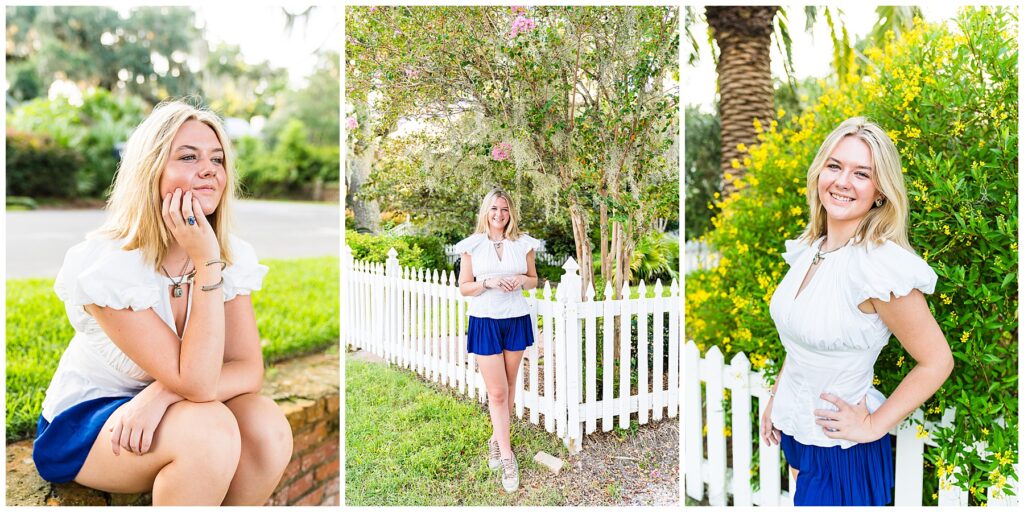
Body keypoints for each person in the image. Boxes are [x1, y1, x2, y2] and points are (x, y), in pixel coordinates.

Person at [33, 100, 293, 505]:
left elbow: (247, 369)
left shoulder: (231, 255)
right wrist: (208, 266)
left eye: (217, 159)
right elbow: (198, 382)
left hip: (173, 408)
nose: (209, 169)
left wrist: (158, 395)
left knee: (267, 427)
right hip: (88, 423)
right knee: (210, 430)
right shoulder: (108, 265)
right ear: (151, 171)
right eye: (188, 157)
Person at [759, 117, 954, 506]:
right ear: (819, 173)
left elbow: (937, 361)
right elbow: (801, 338)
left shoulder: (878, 267)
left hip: (842, 450)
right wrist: (778, 398)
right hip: (798, 435)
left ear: (880, 191)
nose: (843, 181)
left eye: (861, 173)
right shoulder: (811, 248)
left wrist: (871, 425)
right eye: (835, 166)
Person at [455, 188, 540, 493]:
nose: (499, 215)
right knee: (498, 392)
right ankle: (506, 455)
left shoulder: (524, 244)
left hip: (515, 319)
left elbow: (534, 280)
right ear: (485, 212)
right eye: (494, 209)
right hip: (485, 321)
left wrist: (520, 280)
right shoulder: (472, 246)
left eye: (504, 209)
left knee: (510, 384)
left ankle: (496, 437)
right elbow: (464, 287)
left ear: (510, 213)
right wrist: (487, 282)